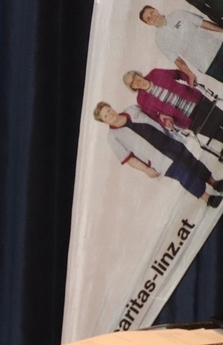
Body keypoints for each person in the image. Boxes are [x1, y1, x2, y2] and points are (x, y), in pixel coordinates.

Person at [94, 101, 223, 206]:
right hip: (158, 159)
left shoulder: (132, 109)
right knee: (183, 174)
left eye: (108, 110)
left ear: (112, 108)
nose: (110, 114)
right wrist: (146, 169)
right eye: (105, 116)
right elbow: (128, 159)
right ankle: (207, 198)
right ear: (104, 122)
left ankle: (213, 182)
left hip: (169, 140)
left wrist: (164, 119)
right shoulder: (113, 138)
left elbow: (153, 113)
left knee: (192, 161)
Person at [124, 68, 223, 143]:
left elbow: (177, 73)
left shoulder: (156, 73)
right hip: (188, 119)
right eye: (132, 83)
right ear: (132, 87)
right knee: (217, 135)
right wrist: (166, 121)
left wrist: (189, 79)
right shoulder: (141, 100)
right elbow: (156, 117)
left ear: (138, 74)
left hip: (198, 101)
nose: (136, 82)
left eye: (134, 77)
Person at [140, 6, 223, 85]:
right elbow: (177, 60)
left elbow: (202, 23)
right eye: (148, 18)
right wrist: (190, 74)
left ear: (156, 10)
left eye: (152, 12)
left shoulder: (178, 14)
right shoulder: (159, 40)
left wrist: (222, 30)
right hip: (207, 66)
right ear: (148, 24)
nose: (152, 17)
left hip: (218, 47)